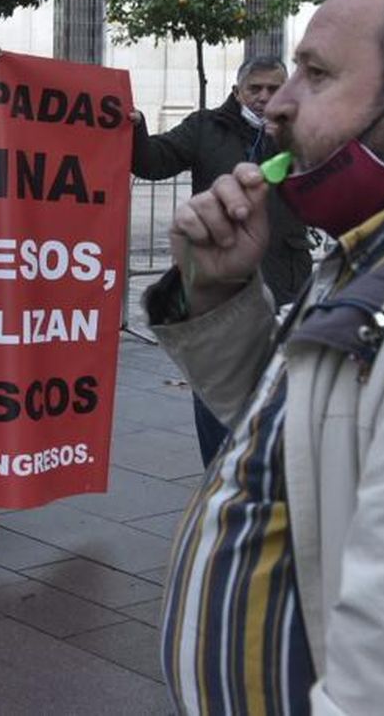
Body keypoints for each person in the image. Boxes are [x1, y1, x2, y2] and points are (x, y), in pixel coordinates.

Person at [148, 0, 384, 712]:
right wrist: (220, 294)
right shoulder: (383, 242)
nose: (278, 105)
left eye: (315, 74)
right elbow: (307, 428)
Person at [129, 55, 312, 464]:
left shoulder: (296, 131)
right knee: (219, 382)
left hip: (286, 275)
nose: (265, 98)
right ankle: (220, 471)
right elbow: (153, 161)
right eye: (256, 89)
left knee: (284, 380)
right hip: (223, 285)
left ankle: (275, 467)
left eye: (274, 89)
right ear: (238, 91)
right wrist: (136, 126)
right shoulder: (205, 127)